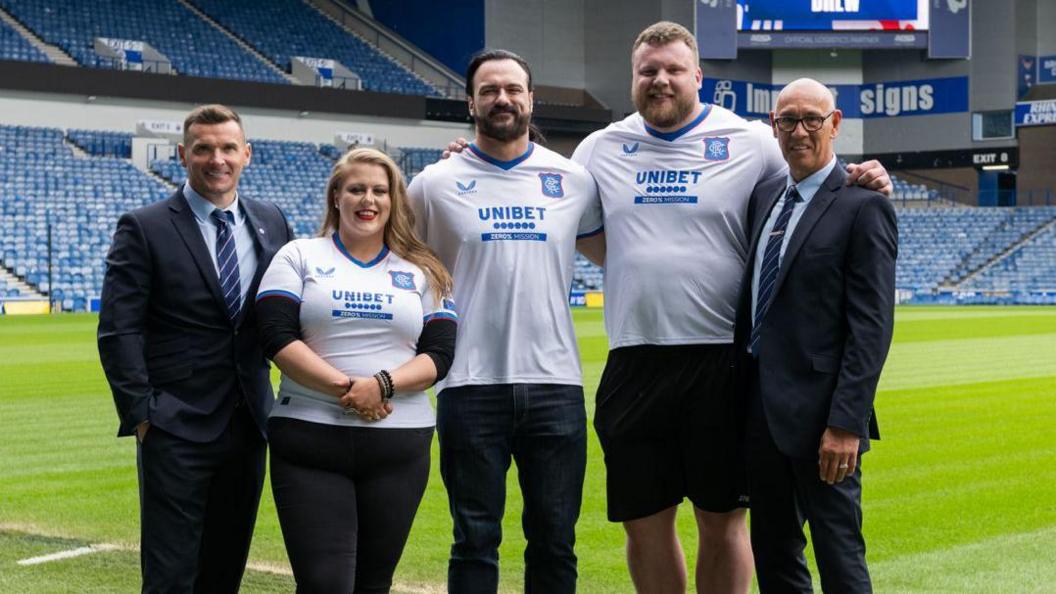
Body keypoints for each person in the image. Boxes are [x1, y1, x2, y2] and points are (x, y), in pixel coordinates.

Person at [569, 22, 893, 594]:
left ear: (698, 76)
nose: (660, 80)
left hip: (723, 362)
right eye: (649, 71)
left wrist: (867, 174)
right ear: (633, 79)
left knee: (724, 521)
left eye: (673, 70)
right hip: (634, 358)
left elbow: (812, 181)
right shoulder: (599, 148)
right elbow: (581, 230)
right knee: (644, 523)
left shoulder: (749, 140)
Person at [407, 49, 604, 593]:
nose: (502, 98)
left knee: (555, 541)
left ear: (530, 99)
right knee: (473, 540)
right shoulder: (432, 183)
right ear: (471, 101)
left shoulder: (573, 180)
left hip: (556, 386)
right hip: (468, 384)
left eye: (513, 89)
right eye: (489, 89)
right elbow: (402, 270)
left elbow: (615, 249)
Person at [97, 104, 294, 592]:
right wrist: (143, 414)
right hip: (174, 426)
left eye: (228, 148)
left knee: (224, 570)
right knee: (170, 576)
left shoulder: (271, 221)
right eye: (203, 148)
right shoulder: (145, 226)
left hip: (249, 423)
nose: (217, 159)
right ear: (183, 154)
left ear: (246, 154)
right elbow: (118, 330)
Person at [254, 148, 457, 593]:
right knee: (324, 584)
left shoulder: (424, 271)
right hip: (310, 439)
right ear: (336, 197)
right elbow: (275, 336)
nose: (369, 199)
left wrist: (381, 385)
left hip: (398, 447)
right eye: (357, 189)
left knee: (373, 584)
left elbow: (439, 356)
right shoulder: (298, 255)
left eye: (380, 191)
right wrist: (350, 389)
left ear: (394, 201)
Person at [732, 78, 897, 593]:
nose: (799, 131)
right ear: (773, 126)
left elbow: (871, 325)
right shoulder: (764, 198)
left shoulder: (863, 204)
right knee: (775, 554)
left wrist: (847, 423)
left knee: (838, 553)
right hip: (760, 411)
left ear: (835, 124)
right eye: (787, 120)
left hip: (825, 419)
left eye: (811, 120)